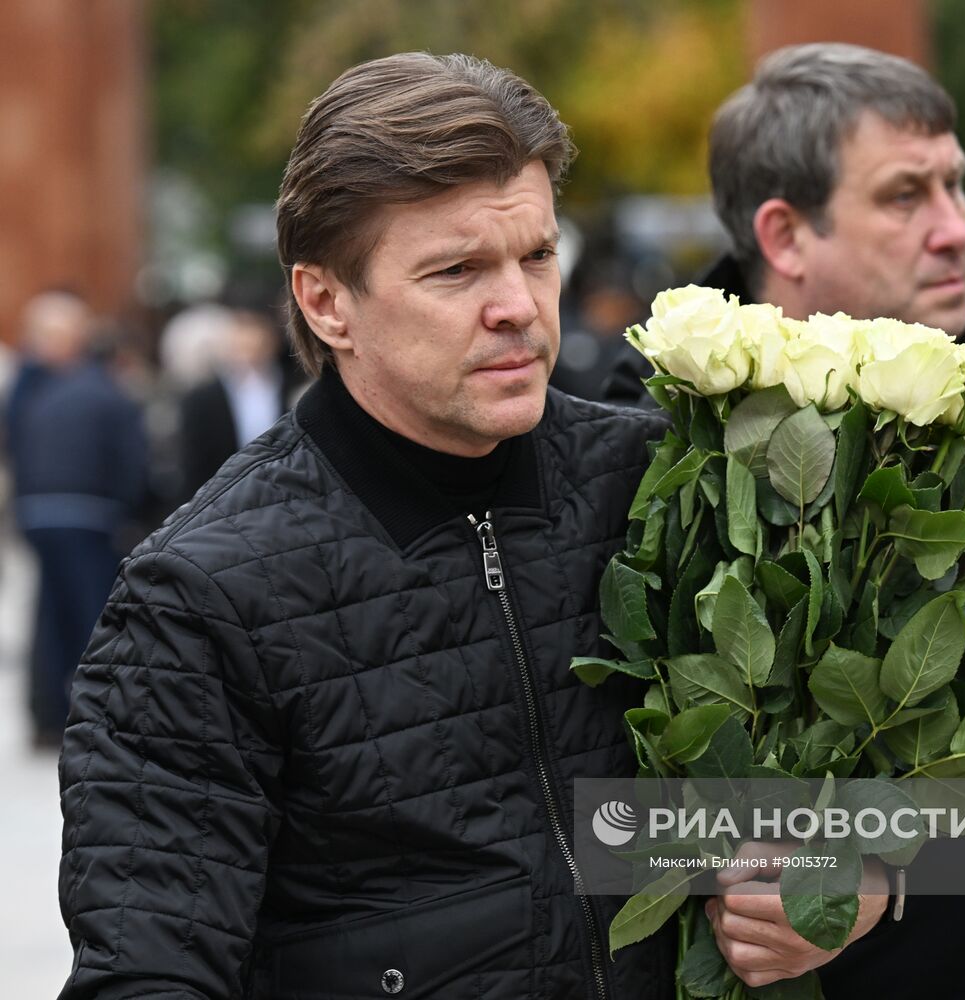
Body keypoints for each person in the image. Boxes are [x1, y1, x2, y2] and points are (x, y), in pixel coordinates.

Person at [58, 53, 672, 998]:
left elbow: (957, 836)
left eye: (538, 255)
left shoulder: (659, 484)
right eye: (457, 270)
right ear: (326, 302)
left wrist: (839, 883)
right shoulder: (200, 598)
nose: (518, 306)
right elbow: (148, 970)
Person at [608, 43, 965, 1000]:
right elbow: (607, 790)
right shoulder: (646, 447)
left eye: (956, 187)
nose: (957, 230)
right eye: (906, 196)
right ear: (786, 236)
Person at [4, 291, 148, 749]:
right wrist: (131, 511)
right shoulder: (105, 390)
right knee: (92, 618)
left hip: (40, 512)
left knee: (49, 615)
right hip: (90, 514)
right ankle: (95, 717)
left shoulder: (32, 392)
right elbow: (132, 460)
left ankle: (48, 715)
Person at [176, 308, 295, 503]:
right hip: (220, 501)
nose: (248, 345)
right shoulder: (201, 399)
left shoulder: (293, 388)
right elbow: (193, 465)